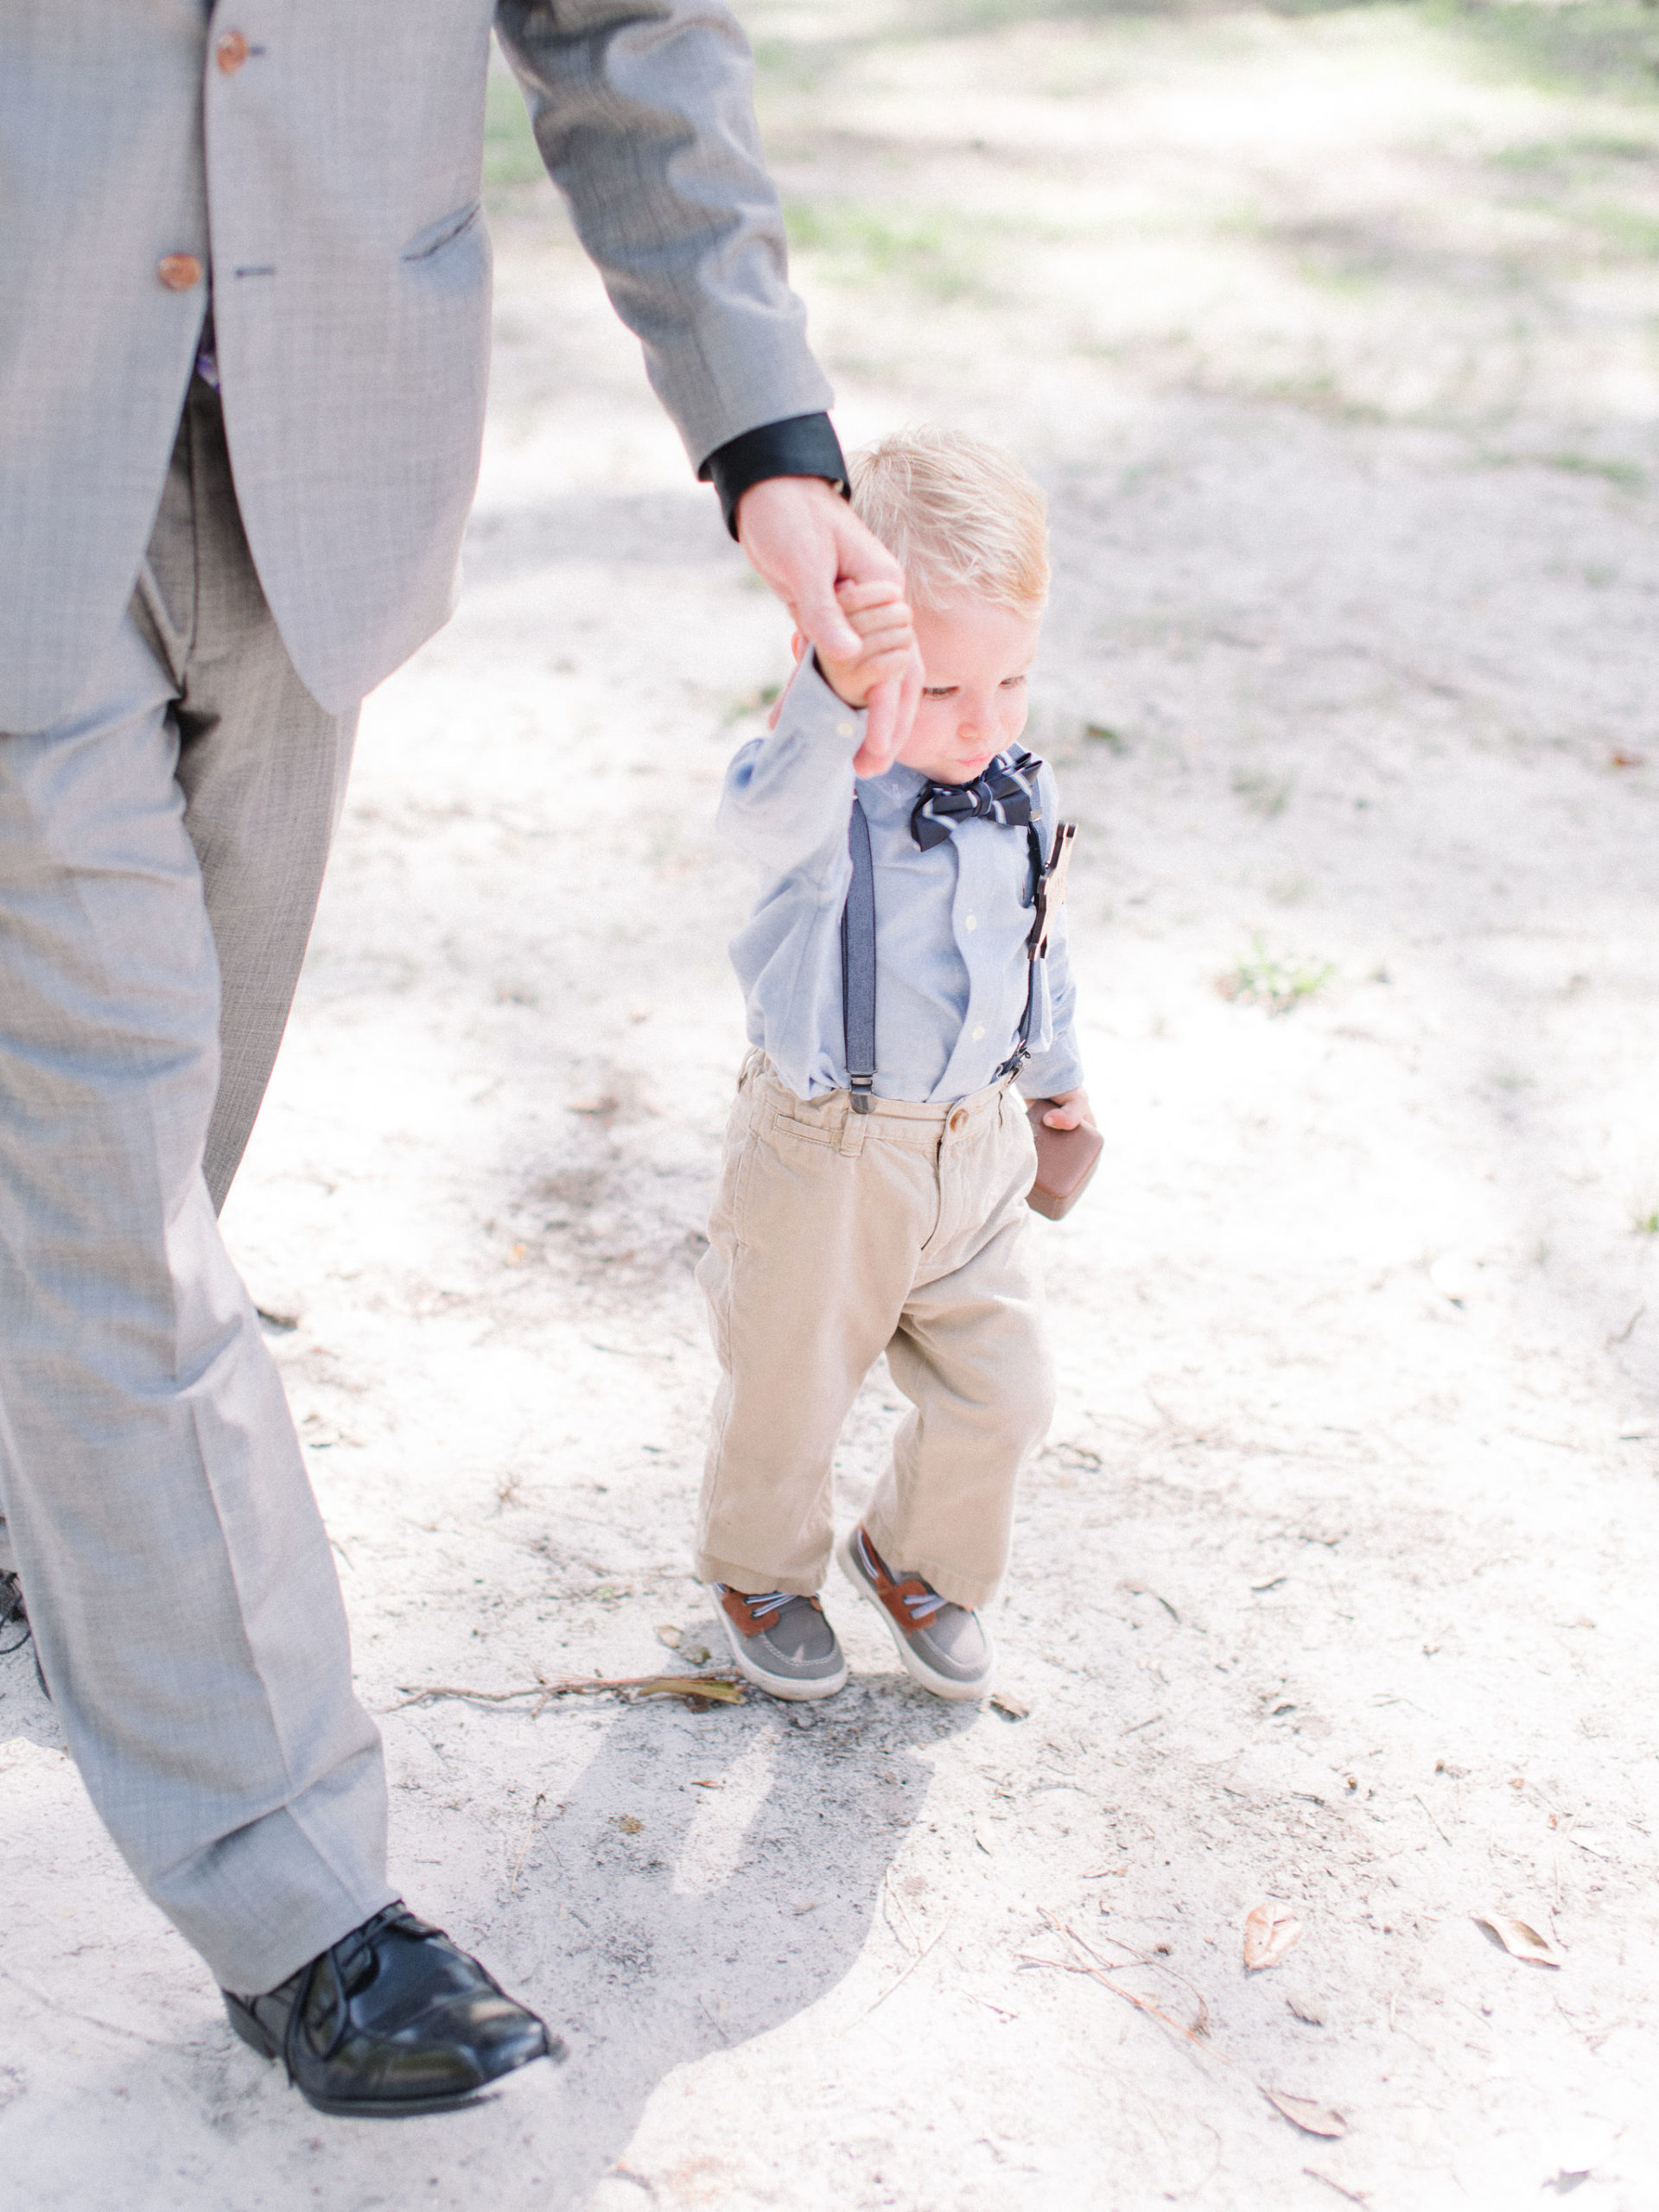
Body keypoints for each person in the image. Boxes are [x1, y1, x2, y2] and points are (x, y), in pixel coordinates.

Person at [0, 0, 919, 2121]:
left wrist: (770, 441)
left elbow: (622, 28)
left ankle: (37, 1525)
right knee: (117, 1208)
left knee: (153, 1147)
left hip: (318, 464)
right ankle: (292, 1886)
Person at [696, 428, 1093, 1705]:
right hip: (830, 1153)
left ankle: (913, 1555)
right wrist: (831, 692)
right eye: (939, 692)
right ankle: (762, 1568)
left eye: (1011, 684)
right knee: (790, 1389)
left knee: (1007, 1390)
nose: (981, 726)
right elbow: (756, 810)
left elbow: (1041, 939)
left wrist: (1057, 1076)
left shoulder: (1013, 793)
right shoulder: (826, 803)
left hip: (973, 1154)